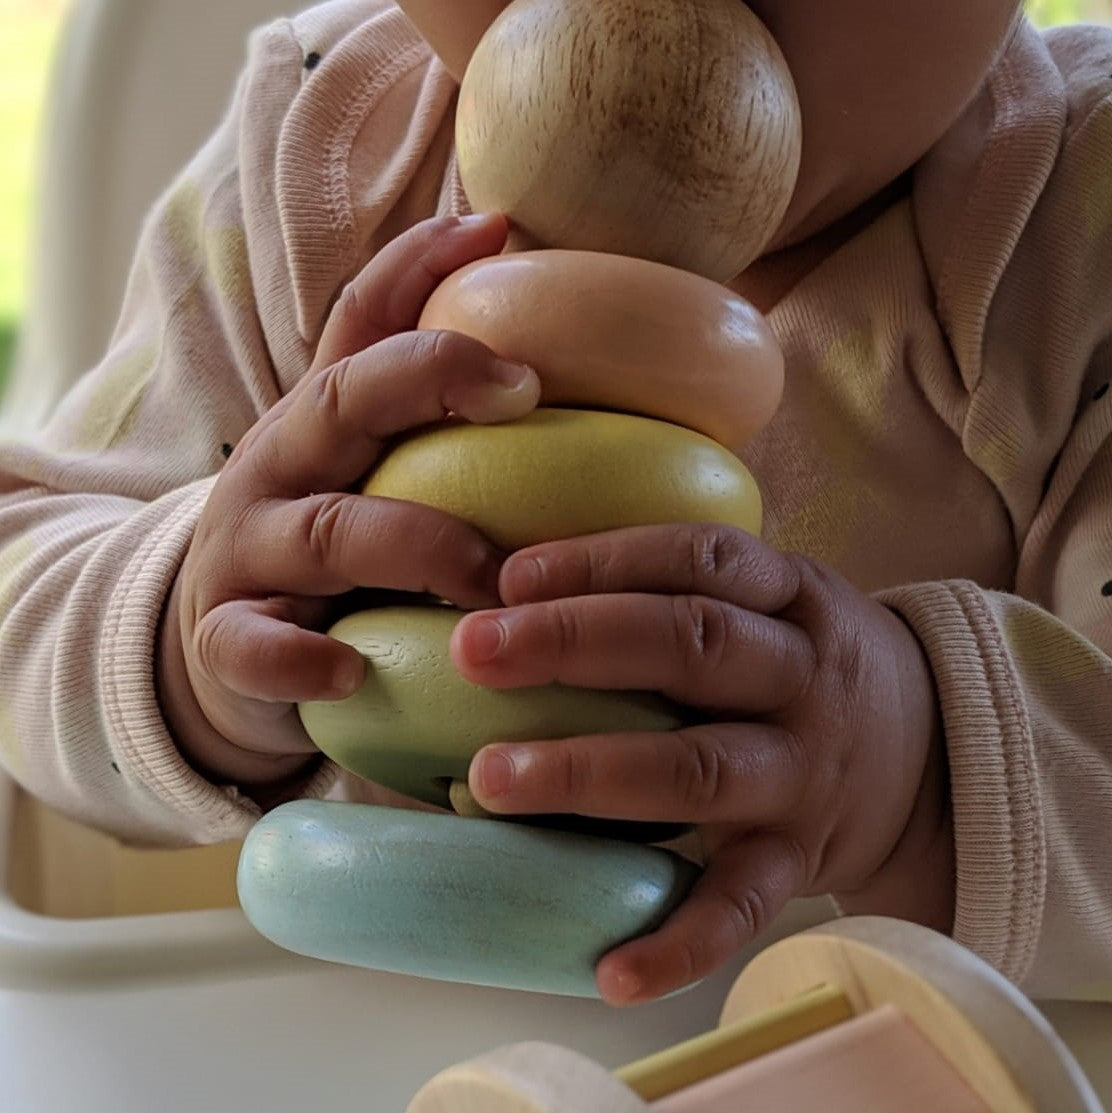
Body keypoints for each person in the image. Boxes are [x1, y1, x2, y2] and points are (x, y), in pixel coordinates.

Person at [0, 0, 1109, 1007]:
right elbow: (22, 573)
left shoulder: (1078, 229)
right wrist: (187, 637)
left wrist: (920, 774)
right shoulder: (323, 151)